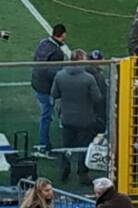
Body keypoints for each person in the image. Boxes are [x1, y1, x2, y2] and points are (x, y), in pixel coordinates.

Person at [51, 50, 103, 183]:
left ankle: (64, 169)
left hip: (67, 118)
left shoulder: (60, 75)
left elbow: (54, 94)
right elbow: (97, 98)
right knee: (84, 147)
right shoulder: (88, 78)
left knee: (66, 146)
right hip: (85, 119)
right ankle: (82, 173)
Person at [31, 24, 67, 150]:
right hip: (46, 88)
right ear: (63, 35)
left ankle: (44, 142)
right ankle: (44, 144)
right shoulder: (57, 52)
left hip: (36, 83)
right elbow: (54, 74)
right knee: (46, 116)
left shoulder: (43, 42)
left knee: (46, 114)